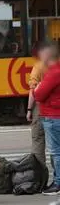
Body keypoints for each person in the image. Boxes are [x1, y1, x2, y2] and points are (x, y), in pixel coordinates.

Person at [27, 42, 57, 170]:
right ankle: (57, 175)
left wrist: (29, 109)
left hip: (42, 108)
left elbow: (34, 92)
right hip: (56, 110)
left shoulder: (39, 66)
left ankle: (40, 175)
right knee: (56, 145)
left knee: (38, 140)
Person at [34, 48, 60, 195]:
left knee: (56, 152)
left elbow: (39, 94)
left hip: (53, 116)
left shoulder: (53, 73)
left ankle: (58, 184)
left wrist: (37, 88)